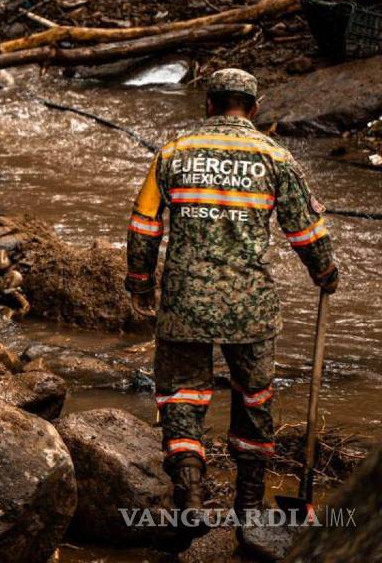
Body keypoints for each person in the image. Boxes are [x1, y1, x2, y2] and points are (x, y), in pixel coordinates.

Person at [125, 68, 339, 525]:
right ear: (254, 109)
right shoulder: (275, 157)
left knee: (182, 396)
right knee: (254, 398)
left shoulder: (174, 151)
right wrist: (325, 272)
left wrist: (140, 282)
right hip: (251, 307)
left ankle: (191, 496)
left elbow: (144, 226)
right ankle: (248, 507)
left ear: (208, 104)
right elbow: (305, 232)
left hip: (184, 301)